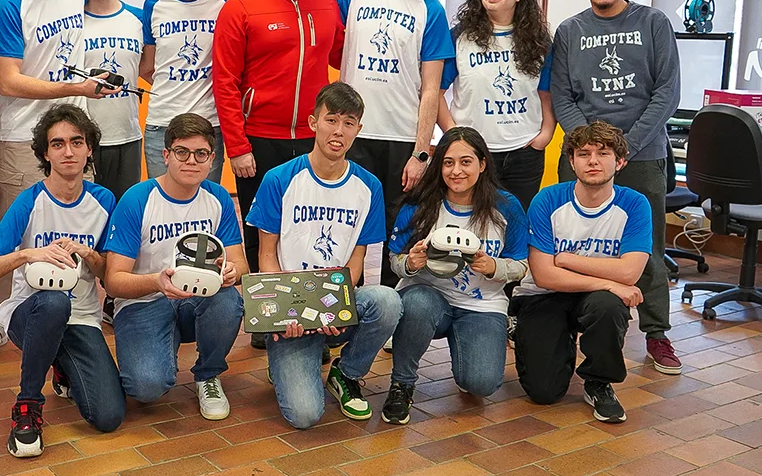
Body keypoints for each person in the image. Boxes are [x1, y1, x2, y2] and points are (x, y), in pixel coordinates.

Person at [0, 0, 120, 360]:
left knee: (80, 224)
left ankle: (79, 309)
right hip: (24, 137)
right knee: (15, 231)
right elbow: (11, 80)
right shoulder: (11, 3)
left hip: (73, 131)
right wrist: (76, 88)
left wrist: (91, 79)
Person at [212, 0, 344, 349]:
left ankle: (308, 318)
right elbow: (225, 81)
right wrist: (236, 145)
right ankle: (267, 319)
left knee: (307, 229)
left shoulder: (327, 4)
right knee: (261, 230)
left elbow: (346, 53)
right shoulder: (241, 5)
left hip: (312, 141)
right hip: (258, 140)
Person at [550, 0, 681, 375]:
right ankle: (567, 322)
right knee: (569, 241)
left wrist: (623, 148)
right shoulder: (570, 30)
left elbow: (667, 91)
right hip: (582, 154)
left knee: (649, 246)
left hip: (643, 155)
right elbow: (563, 97)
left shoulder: (652, 22)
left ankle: (658, 334)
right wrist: (591, 148)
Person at [0, 104, 125, 458]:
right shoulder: (29, 201)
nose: (68, 151)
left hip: (82, 317)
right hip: (28, 313)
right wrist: (26, 255)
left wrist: (88, 253)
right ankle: (27, 405)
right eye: (57, 144)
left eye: (76, 142)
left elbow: (110, 278)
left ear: (89, 149)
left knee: (108, 416)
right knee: (54, 301)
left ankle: (61, 366)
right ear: (45, 153)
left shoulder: (104, 201)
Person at [245, 83, 400, 429]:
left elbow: (357, 261)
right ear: (314, 122)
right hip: (291, 310)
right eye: (331, 120)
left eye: (348, 123)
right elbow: (266, 256)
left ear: (358, 130)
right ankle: (284, 355)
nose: (339, 131)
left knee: (388, 301)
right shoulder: (279, 179)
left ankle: (345, 374)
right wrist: (283, 314)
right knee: (305, 415)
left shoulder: (369, 186)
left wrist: (339, 306)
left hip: (333, 301)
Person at [103, 112, 247, 421]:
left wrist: (232, 272)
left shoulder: (218, 197)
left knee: (229, 299)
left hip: (196, 299)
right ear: (166, 155)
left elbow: (241, 265)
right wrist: (157, 282)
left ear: (212, 159)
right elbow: (113, 282)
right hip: (143, 303)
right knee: (146, 388)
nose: (191, 161)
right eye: (182, 152)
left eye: (201, 154)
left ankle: (208, 375)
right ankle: (160, 342)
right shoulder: (138, 199)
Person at [381, 127, 529, 425]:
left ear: (482, 164)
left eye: (465, 162)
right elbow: (394, 259)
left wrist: (494, 267)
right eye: (448, 162)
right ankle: (402, 384)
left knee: (482, 384)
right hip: (428, 297)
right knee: (417, 303)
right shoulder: (419, 203)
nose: (456, 171)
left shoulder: (506, 206)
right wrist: (410, 262)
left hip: (482, 304)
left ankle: (466, 349)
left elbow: (522, 264)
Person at [337, 0, 454, 288]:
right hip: (353, 132)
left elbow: (432, 89)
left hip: (401, 138)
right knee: (343, 225)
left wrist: (422, 152)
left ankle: (388, 307)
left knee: (396, 230)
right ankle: (338, 310)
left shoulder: (430, 9)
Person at [512, 121, 651, 424]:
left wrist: (567, 259)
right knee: (543, 392)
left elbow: (629, 272)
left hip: (595, 299)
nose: (593, 161)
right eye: (584, 153)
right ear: (571, 161)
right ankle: (528, 331)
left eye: (603, 153)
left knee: (609, 306)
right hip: (545, 296)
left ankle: (598, 381)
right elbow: (545, 276)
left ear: (620, 161)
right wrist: (609, 282)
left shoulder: (635, 205)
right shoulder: (548, 200)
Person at [438, 0, 554, 212]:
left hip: (524, 153)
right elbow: (435, 92)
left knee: (517, 226)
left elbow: (546, 93)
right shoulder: (460, 37)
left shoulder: (538, 40)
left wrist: (544, 136)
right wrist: (455, 136)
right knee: (474, 224)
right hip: (474, 153)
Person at [140, 0, 237, 183]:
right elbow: (147, 68)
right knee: (160, 201)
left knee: (205, 202)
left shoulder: (227, 0)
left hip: (209, 124)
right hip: (162, 123)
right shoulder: (154, 5)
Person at [74, 0, 145, 200]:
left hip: (128, 136)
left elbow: (147, 67)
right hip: (85, 138)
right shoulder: (74, 22)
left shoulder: (138, 19)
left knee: (124, 215)